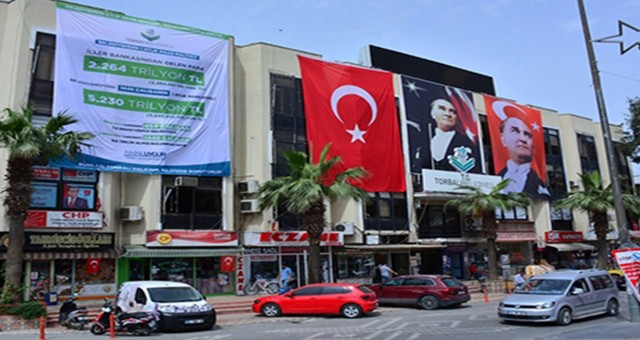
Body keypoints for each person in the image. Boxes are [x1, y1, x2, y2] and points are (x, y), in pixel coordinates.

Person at [497, 116, 551, 200]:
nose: (523, 139)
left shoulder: (539, 182)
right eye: (515, 131)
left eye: (527, 134)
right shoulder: (498, 177)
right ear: (503, 139)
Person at [425, 98, 480, 173]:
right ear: (433, 114)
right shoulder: (423, 139)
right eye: (442, 109)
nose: (448, 114)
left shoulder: (466, 143)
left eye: (452, 112)